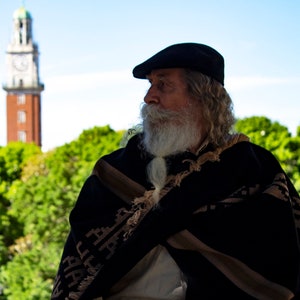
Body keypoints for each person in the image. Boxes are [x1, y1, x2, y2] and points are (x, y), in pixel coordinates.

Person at [51, 43, 300, 300]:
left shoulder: (255, 169)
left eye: (163, 84)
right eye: (149, 84)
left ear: (203, 96)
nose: (149, 97)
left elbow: (283, 261)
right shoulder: (114, 173)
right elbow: (77, 271)